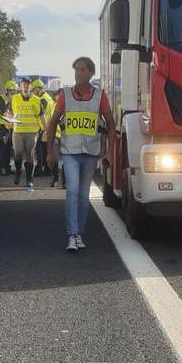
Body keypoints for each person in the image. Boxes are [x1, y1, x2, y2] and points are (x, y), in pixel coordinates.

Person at [44, 56, 115, 252]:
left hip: (91, 152)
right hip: (70, 152)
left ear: (91, 73)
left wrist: (109, 151)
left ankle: (79, 233)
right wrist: (50, 151)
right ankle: (72, 234)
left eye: (83, 70)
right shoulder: (65, 95)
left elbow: (111, 124)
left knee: (83, 195)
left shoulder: (100, 96)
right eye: (76, 70)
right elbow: (52, 125)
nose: (79, 73)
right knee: (72, 191)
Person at [11, 77, 47, 191]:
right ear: (20, 86)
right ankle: (17, 173)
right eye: (23, 84)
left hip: (31, 132)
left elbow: (42, 116)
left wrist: (46, 131)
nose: (26, 86)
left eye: (28, 85)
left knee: (30, 156)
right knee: (17, 155)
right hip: (18, 132)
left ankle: (29, 179)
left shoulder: (36, 100)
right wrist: (8, 118)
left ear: (30, 87)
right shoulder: (15, 98)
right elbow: (9, 112)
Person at [31, 78, 53, 176]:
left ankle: (39, 170)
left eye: (34, 90)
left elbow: (39, 114)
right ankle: (47, 169)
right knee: (44, 150)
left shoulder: (43, 99)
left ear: (38, 89)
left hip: (44, 128)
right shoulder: (47, 97)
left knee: (39, 151)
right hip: (47, 127)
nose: (33, 92)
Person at [0, 80, 17, 175]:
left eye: (15, 91)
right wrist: (10, 101)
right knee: (2, 149)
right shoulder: (1, 98)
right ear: (7, 90)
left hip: (12, 127)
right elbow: (4, 111)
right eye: (12, 90)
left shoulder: (15, 99)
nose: (14, 92)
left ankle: (7, 167)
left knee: (9, 148)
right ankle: (1, 168)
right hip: (3, 127)